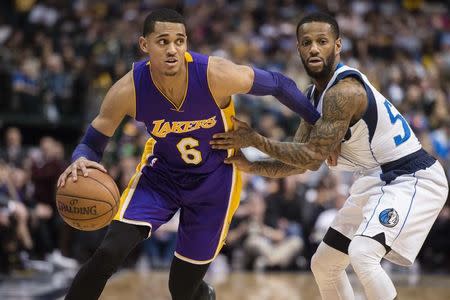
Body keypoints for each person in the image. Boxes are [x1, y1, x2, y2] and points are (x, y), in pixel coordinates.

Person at [56, 8, 320, 300]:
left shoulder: (214, 74)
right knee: (108, 252)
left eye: (179, 41)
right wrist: (81, 159)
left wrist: (316, 122)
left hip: (215, 180)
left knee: (182, 288)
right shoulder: (128, 89)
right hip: (162, 175)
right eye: (163, 41)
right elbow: (93, 143)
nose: (172, 49)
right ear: (145, 45)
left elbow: (279, 83)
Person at [211, 12, 449, 300]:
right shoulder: (313, 96)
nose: (314, 48)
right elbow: (297, 165)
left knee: (363, 253)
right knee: (324, 264)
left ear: (337, 46)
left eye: (322, 41)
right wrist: (249, 165)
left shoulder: (344, 92)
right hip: (375, 179)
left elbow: (310, 157)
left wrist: (255, 140)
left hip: (412, 177)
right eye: (306, 42)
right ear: (298, 48)